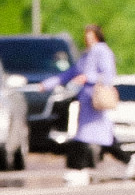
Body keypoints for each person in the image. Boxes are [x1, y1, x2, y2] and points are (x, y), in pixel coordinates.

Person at [45, 24, 117, 186]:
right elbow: (71, 73)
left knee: (85, 137)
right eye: (86, 37)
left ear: (98, 37)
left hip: (97, 101)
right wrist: (48, 84)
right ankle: (127, 159)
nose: (88, 40)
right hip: (86, 102)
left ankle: (78, 170)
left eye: (91, 37)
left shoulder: (102, 51)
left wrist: (87, 78)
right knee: (96, 136)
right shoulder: (86, 54)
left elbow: (108, 75)